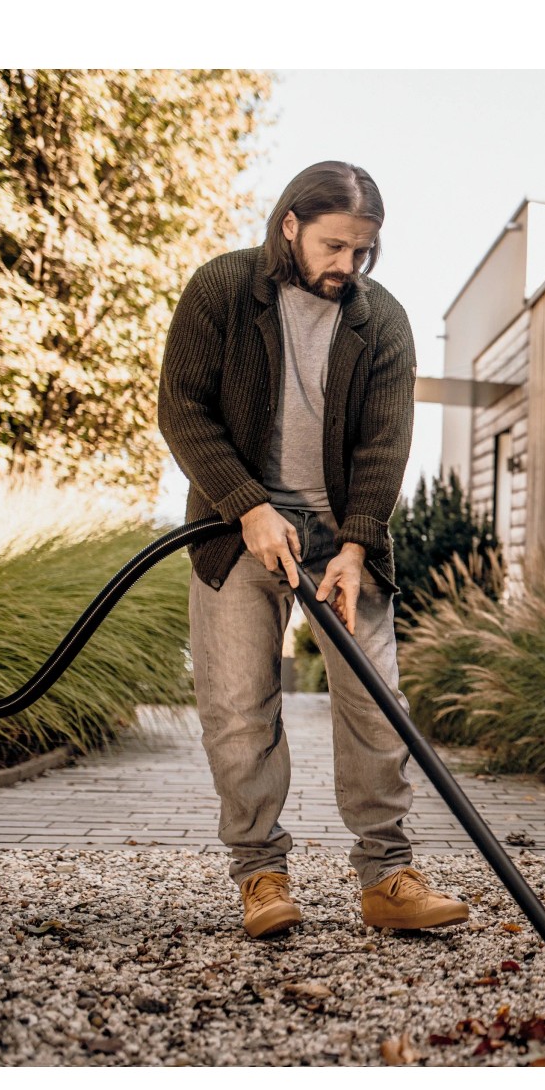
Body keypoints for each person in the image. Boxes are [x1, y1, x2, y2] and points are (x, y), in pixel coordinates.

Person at [158, 160, 470, 939]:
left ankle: (388, 877)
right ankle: (261, 878)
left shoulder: (381, 319)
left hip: (341, 538)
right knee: (238, 711)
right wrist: (248, 506)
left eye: (363, 252)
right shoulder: (222, 291)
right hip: (235, 533)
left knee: (376, 706)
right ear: (290, 224)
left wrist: (359, 544)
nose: (347, 267)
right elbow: (184, 412)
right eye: (334, 247)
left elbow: (385, 445)